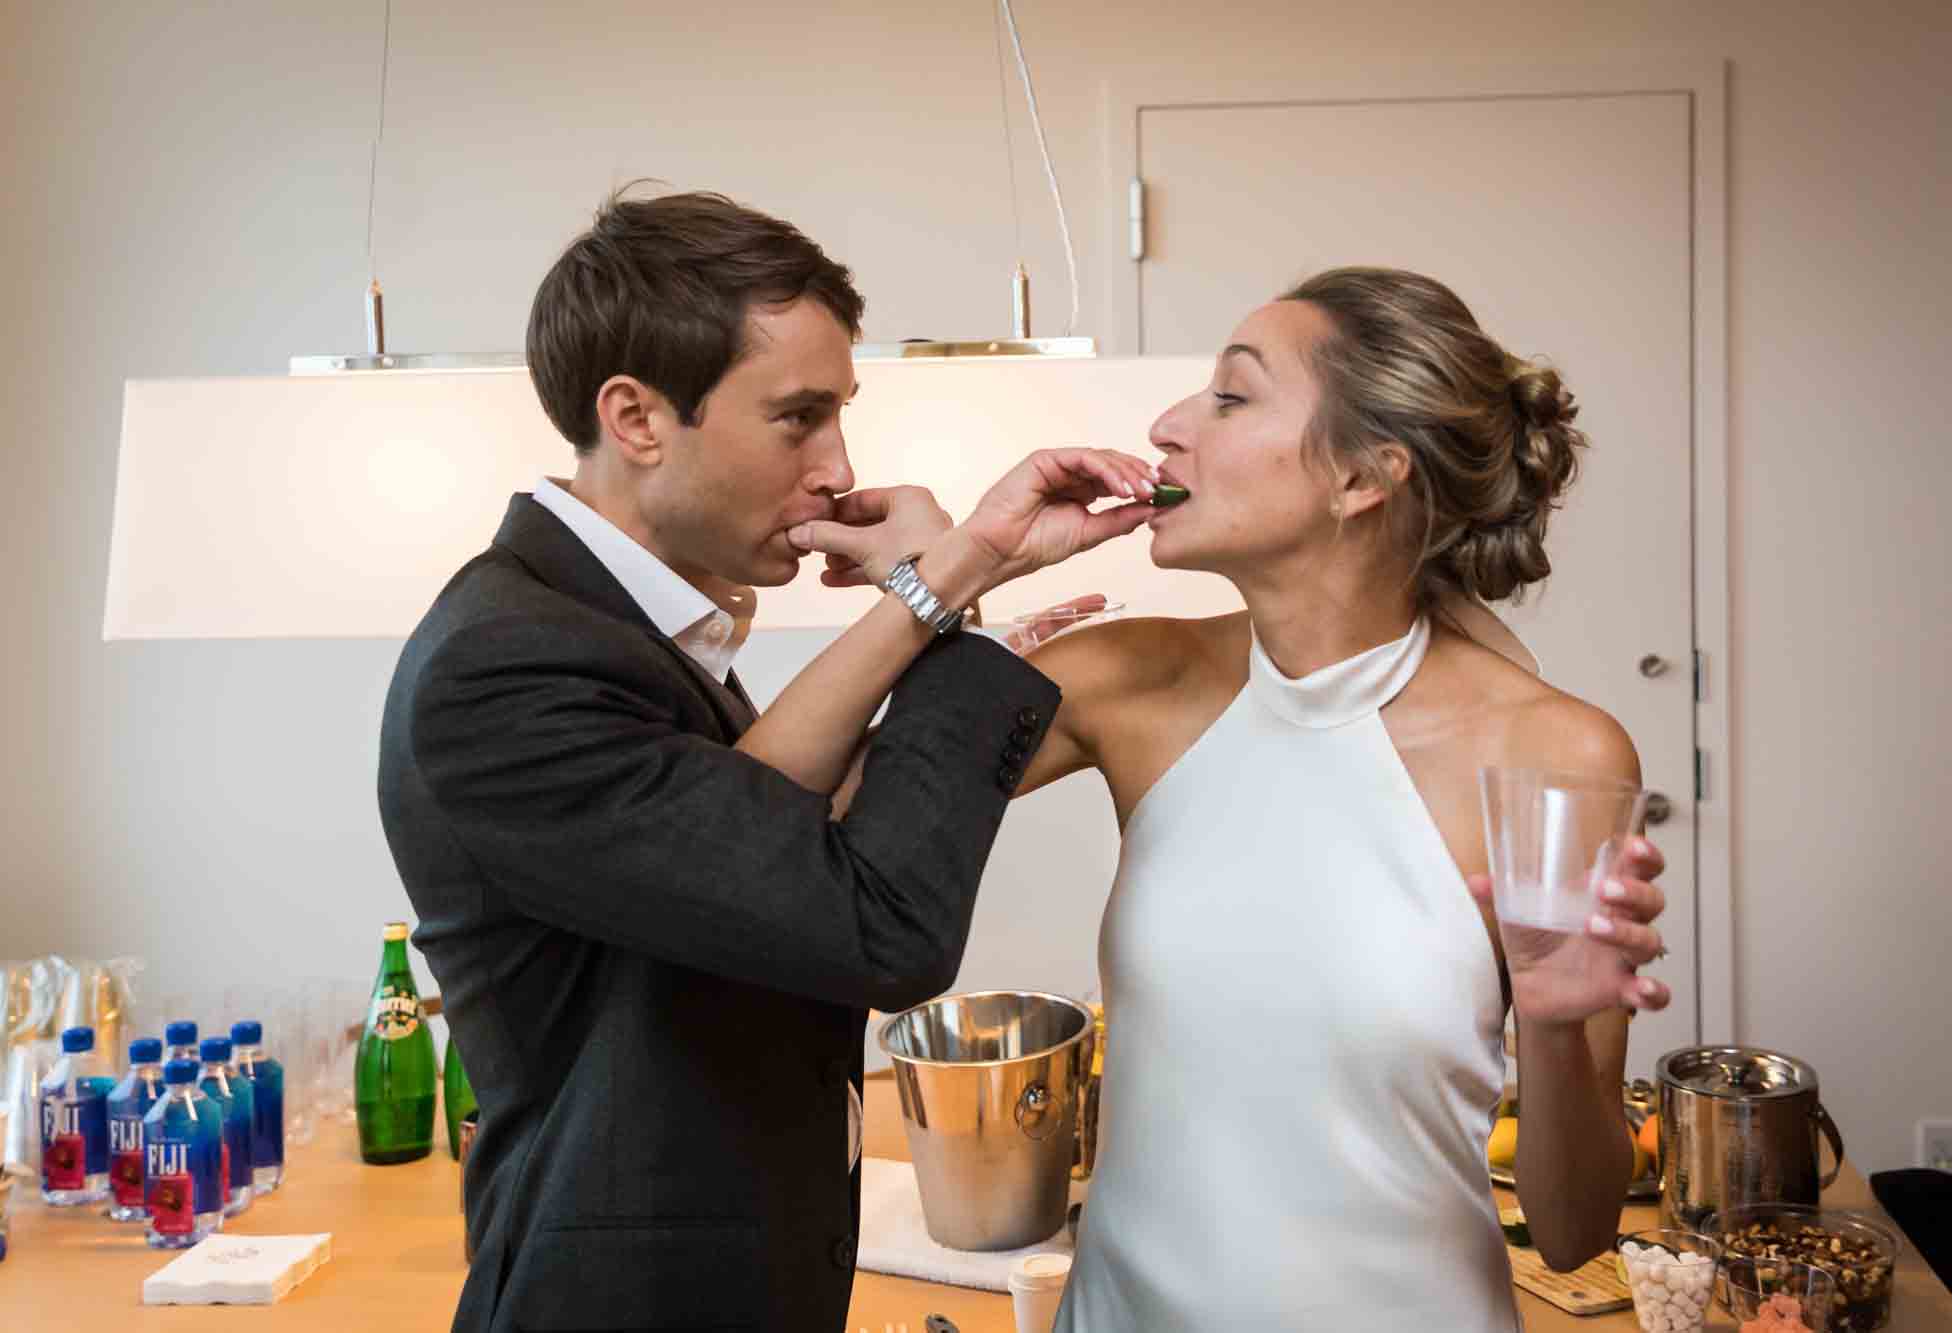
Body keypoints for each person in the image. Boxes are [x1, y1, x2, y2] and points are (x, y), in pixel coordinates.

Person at [375, 189, 1157, 1333]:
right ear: (636, 419)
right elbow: (873, 931)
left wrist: (945, 613)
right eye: (798, 420)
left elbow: (756, 822)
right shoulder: (509, 661)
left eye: (838, 414)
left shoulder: (615, 629)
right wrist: (954, 575)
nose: (837, 469)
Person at [893, 267, 1666, 1329]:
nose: (1167, 427)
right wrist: (952, 572)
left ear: (1361, 476)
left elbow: (1574, 1228)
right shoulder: (1122, 680)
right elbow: (807, 815)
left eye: (1229, 396)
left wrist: (1550, 1027)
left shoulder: (1554, 750)